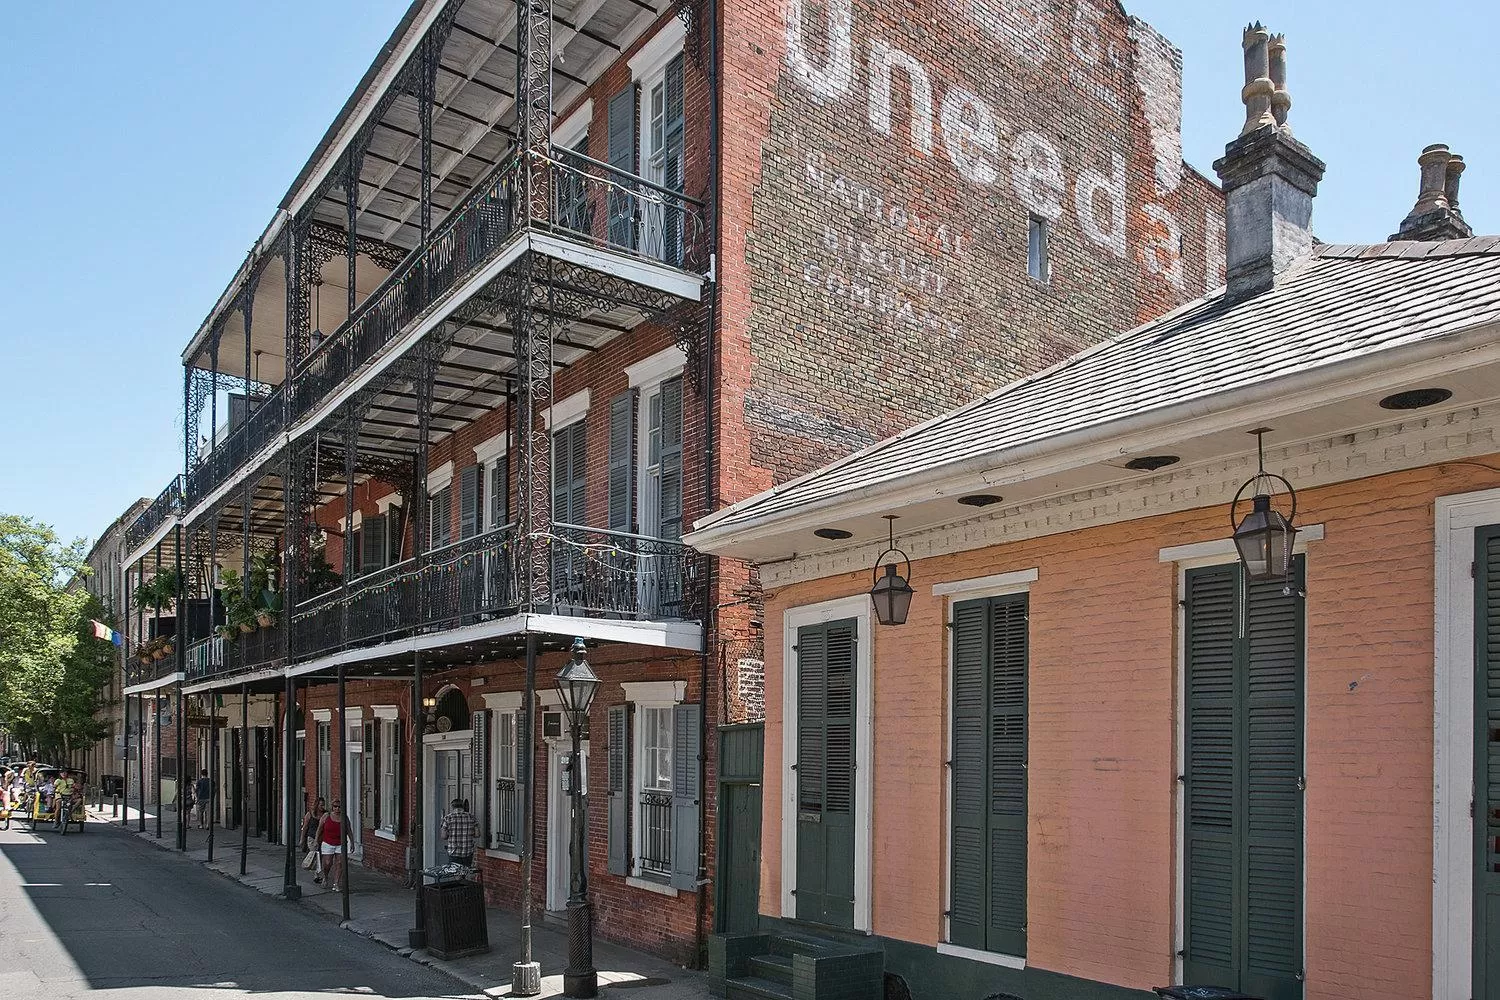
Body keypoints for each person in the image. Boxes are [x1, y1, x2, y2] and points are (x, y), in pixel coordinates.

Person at [315, 800, 348, 891]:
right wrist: (316, 840)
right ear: (332, 807)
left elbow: (348, 829)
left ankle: (336, 883)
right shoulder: (326, 816)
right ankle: (325, 876)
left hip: (340, 843)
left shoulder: (344, 817)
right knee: (327, 863)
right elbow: (319, 829)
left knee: (340, 863)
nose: (337, 809)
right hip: (327, 842)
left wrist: (352, 842)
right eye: (335, 806)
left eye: (339, 807)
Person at [440, 798, 478, 868]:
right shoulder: (471, 817)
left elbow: (444, 836)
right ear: (462, 806)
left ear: (452, 807)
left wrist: (444, 829)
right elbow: (477, 834)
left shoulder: (448, 818)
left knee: (454, 871)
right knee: (466, 871)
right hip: (468, 851)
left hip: (454, 851)